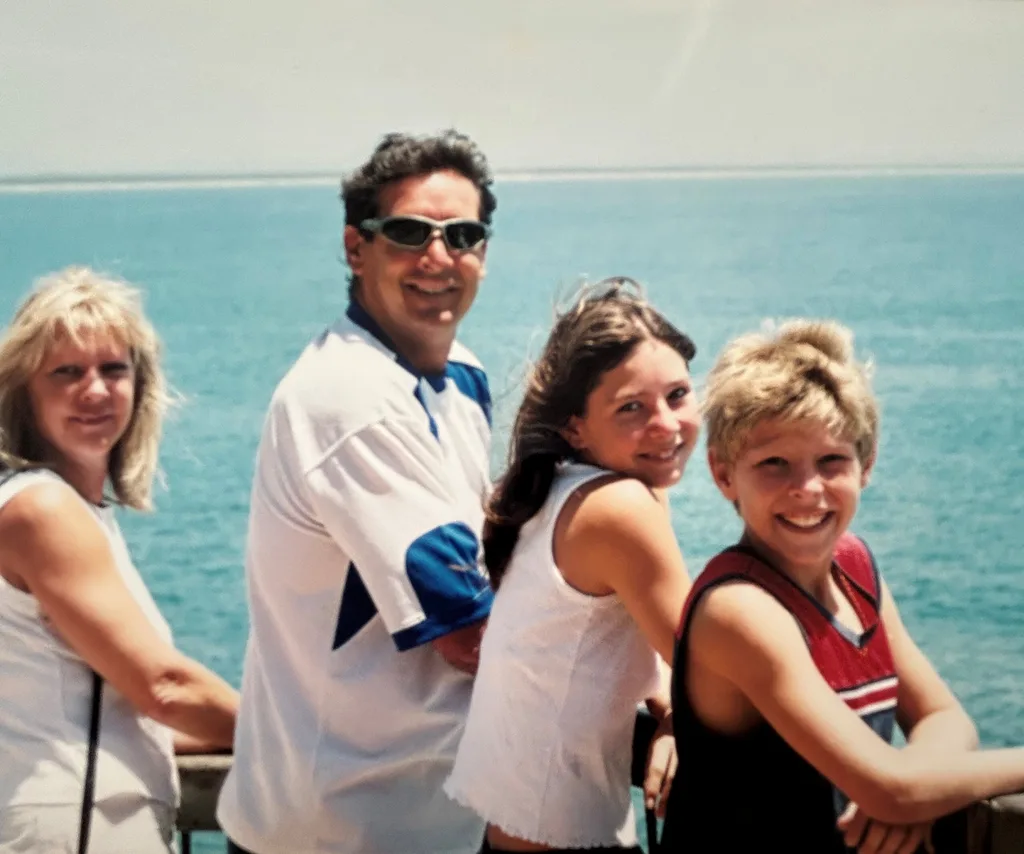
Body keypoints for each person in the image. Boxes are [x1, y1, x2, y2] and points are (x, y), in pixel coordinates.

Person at [217, 130, 498, 854]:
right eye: (409, 233)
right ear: (355, 248)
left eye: (462, 235)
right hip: (351, 826)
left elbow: (492, 550)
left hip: (423, 813)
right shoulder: (350, 397)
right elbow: (470, 635)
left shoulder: (459, 376)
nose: (438, 257)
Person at [661, 319, 1024, 853]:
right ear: (722, 474)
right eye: (774, 464)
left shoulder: (854, 568)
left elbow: (945, 718)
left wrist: (911, 789)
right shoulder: (739, 610)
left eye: (832, 461)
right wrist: (898, 793)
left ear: (866, 465)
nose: (807, 490)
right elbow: (892, 789)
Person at [445, 279, 697, 853]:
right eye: (632, 407)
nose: (665, 423)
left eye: (678, 395)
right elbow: (713, 667)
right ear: (574, 426)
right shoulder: (619, 507)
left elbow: (605, 650)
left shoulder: (553, 490)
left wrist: (672, 706)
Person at [0, 267, 238, 853]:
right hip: (76, 826)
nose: (96, 390)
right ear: (25, 394)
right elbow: (163, 686)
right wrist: (312, 740)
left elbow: (105, 710)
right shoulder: (42, 511)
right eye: (66, 373)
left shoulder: (75, 512)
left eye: (113, 369)